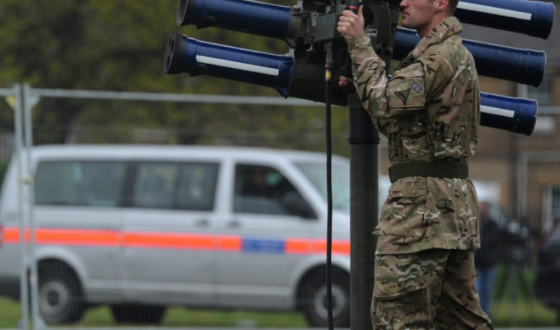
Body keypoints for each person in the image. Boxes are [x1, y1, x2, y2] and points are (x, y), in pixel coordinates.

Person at [337, 0, 493, 329]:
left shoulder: (439, 57)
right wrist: (363, 76)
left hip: (420, 211)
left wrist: (358, 42)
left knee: (399, 320)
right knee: (460, 322)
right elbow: (405, 125)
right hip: (448, 207)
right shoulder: (447, 54)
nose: (403, 1)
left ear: (440, 3)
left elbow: (384, 103)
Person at [474, 202, 501, 320]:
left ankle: (486, 315)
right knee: (478, 290)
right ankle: (479, 315)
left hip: (489, 264)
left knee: (487, 291)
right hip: (478, 263)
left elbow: (495, 241)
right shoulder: (475, 224)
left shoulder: (493, 224)